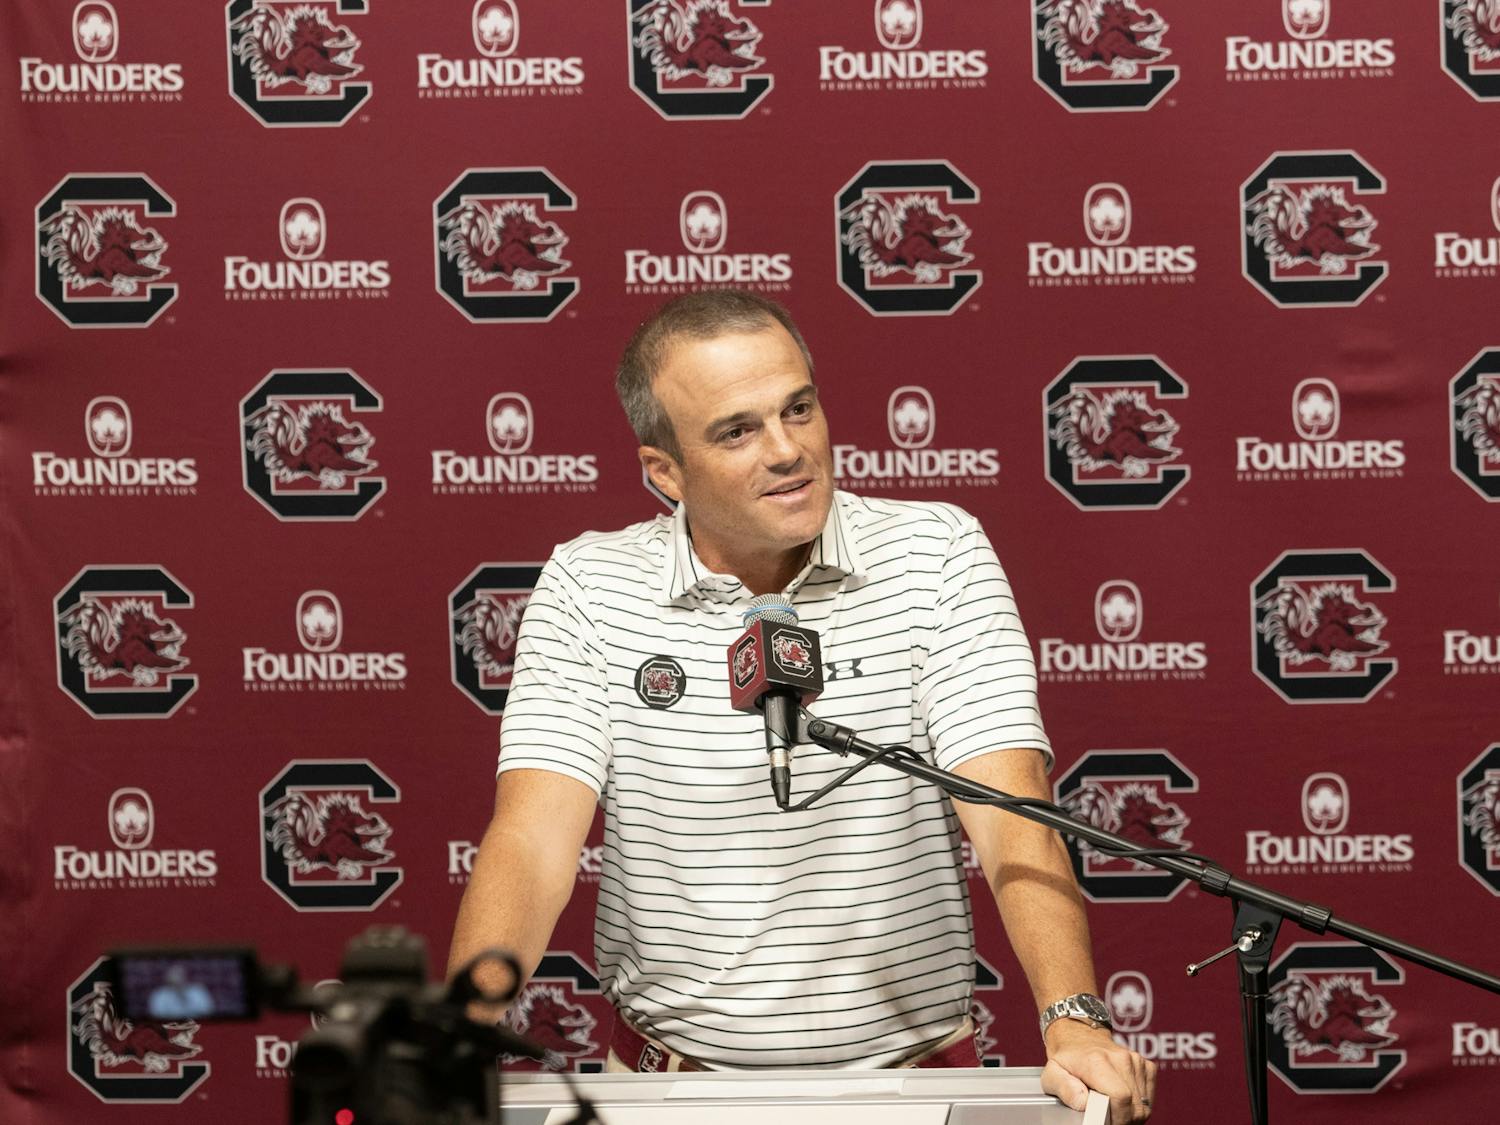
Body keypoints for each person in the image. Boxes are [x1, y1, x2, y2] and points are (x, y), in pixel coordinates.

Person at [448, 290, 1156, 1121]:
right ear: (663, 472)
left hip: (911, 1084)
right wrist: (458, 1030)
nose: (788, 451)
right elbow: (533, 841)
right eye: (737, 430)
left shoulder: (939, 554)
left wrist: (1073, 1017)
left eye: (799, 408)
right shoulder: (588, 586)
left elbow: (1008, 812)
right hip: (667, 1085)